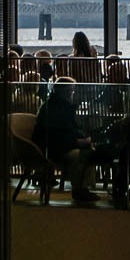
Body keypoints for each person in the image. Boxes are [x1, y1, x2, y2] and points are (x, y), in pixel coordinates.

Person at [33, 76, 98, 204]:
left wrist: (82, 139)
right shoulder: (55, 109)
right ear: (64, 91)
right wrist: (78, 142)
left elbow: (66, 131)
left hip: (58, 145)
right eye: (71, 90)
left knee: (87, 151)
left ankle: (81, 188)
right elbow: (55, 136)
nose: (72, 93)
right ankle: (80, 188)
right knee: (81, 154)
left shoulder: (55, 106)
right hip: (51, 149)